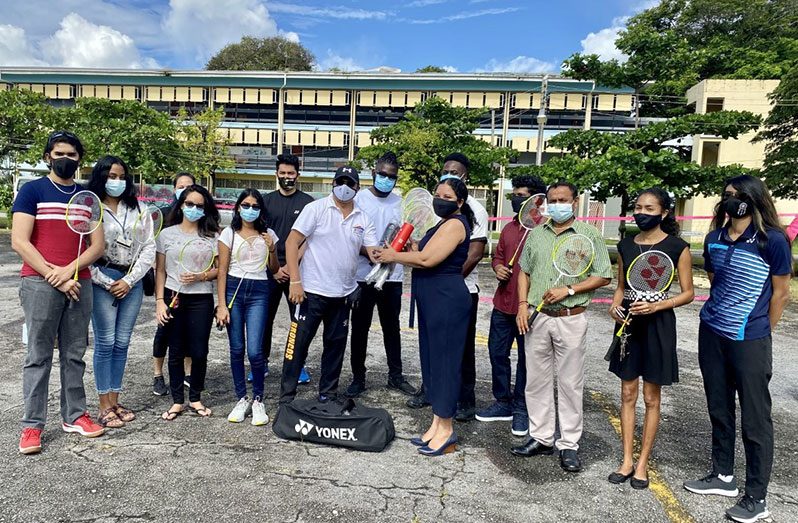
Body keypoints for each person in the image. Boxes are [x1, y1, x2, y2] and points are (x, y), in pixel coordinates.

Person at [683, 175, 792, 523]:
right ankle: (723, 475)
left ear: (754, 199)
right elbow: (716, 282)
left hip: (750, 338)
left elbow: (781, 294)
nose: (731, 200)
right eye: (727, 195)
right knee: (719, 406)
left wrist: (761, 331)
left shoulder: (772, 241)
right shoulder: (714, 238)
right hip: (711, 331)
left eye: (738, 195)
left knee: (756, 419)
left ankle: (756, 497)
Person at [12, 131, 106, 454]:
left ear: (80, 159)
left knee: (74, 354)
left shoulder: (87, 198)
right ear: (48, 156)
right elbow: (19, 241)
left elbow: (98, 245)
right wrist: (56, 275)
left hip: (80, 283)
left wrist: (70, 272)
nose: (65, 159)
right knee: (38, 356)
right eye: (58, 153)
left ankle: (75, 415)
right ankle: (32, 426)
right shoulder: (32, 191)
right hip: (39, 283)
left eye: (72, 154)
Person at [512, 181, 612, 473]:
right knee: (536, 381)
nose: (556, 205)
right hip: (537, 317)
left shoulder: (589, 235)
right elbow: (524, 273)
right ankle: (541, 436)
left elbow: (603, 276)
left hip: (571, 316)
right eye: (552, 200)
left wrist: (569, 290)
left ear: (575, 202)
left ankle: (568, 444)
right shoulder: (536, 234)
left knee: (569, 383)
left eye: (563, 199)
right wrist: (521, 305)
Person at [374, 177, 473, 456]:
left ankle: (447, 428)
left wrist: (393, 255)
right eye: (437, 194)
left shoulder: (455, 224)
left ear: (460, 202)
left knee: (445, 364)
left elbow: (429, 260)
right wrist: (409, 247)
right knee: (432, 362)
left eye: (447, 196)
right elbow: (423, 252)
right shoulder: (442, 224)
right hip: (432, 299)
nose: (439, 199)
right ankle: (437, 424)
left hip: (446, 300)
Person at [606, 188, 694, 489]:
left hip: (658, 325)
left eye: (650, 208)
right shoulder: (626, 245)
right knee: (627, 393)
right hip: (629, 325)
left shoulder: (677, 247)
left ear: (664, 212)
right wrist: (615, 307)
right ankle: (627, 459)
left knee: (650, 397)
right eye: (638, 207)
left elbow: (688, 293)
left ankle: (643, 463)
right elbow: (620, 286)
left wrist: (657, 305)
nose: (642, 212)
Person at [279, 166, 377, 405]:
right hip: (310, 292)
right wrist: (295, 281)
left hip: (343, 295)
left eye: (350, 183)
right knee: (297, 346)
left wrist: (398, 249)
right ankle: (287, 397)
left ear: (357, 187)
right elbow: (292, 243)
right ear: (333, 184)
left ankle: (328, 394)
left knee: (335, 348)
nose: (344, 187)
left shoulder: (362, 218)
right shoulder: (316, 209)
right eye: (340, 181)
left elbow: (374, 252)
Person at [407, 152, 489, 420]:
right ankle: (431, 392)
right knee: (433, 349)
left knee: (458, 351)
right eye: (446, 170)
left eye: (455, 172)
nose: (449, 175)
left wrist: (446, 274)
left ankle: (464, 400)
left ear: (465, 176)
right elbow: (428, 248)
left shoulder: (473, 211)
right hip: (434, 289)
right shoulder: (439, 207)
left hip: (457, 290)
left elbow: (474, 253)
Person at [87, 156, 156, 428]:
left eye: (121, 176)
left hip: (132, 280)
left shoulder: (139, 208)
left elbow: (149, 246)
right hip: (102, 278)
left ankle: (115, 400)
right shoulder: (91, 208)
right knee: (105, 342)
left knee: (122, 342)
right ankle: (103, 405)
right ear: (100, 177)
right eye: (110, 176)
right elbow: (82, 249)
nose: (116, 181)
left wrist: (130, 280)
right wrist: (106, 282)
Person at [476, 175, 546, 437]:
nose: (516, 198)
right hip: (502, 305)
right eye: (514, 194)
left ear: (536, 199)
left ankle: (521, 408)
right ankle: (502, 402)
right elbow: (498, 256)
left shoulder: (544, 230)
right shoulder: (508, 228)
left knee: (526, 361)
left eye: (521, 194)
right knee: (497, 354)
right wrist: (498, 268)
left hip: (529, 310)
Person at [345, 151, 417, 398]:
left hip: (392, 277)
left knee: (391, 327)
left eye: (392, 177)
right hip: (363, 276)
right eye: (382, 174)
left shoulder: (400, 203)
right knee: (360, 327)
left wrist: (402, 250)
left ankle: (395, 376)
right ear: (374, 173)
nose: (386, 179)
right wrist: (368, 252)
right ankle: (358, 378)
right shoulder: (360, 199)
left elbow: (405, 236)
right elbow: (350, 234)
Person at [156, 185, 220, 421]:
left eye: (199, 206)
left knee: (199, 351)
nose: (194, 209)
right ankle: (177, 401)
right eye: (189, 204)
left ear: (206, 209)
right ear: (181, 205)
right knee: (175, 351)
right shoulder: (166, 235)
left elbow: (219, 269)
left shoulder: (212, 236)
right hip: (174, 296)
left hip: (201, 298)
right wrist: (160, 302)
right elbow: (160, 271)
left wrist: (201, 276)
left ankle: (195, 398)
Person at [216, 189, 279, 426]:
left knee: (255, 350)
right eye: (246, 205)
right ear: (238, 207)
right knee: (236, 348)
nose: (250, 210)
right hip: (233, 290)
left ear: (261, 209)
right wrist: (222, 305)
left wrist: (272, 248)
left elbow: (274, 269)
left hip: (260, 292)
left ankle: (258, 400)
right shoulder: (228, 234)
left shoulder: (269, 234)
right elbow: (221, 271)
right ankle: (241, 398)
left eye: (255, 206)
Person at [261, 154, 314, 385]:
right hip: (269, 271)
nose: (286, 177)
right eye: (282, 173)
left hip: (297, 273)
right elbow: (259, 237)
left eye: (291, 174)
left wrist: (291, 268)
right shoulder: (265, 202)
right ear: (276, 174)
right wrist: (274, 268)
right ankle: (260, 364)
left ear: (298, 175)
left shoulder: (308, 204)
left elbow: (308, 240)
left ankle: (297, 365)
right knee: (264, 320)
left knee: (299, 321)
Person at [152, 172, 196, 396]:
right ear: (174, 189)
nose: (185, 189)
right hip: (169, 285)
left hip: (192, 286)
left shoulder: (199, 215)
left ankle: (188, 374)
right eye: (181, 186)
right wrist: (160, 297)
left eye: (189, 186)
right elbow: (154, 253)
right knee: (164, 332)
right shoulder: (163, 215)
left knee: (188, 333)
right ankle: (158, 375)